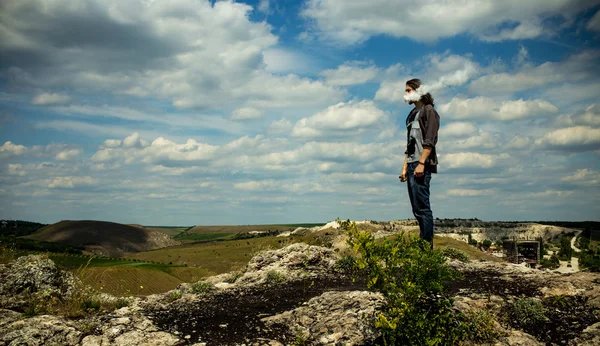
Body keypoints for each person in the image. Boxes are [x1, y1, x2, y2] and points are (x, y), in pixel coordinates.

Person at [399, 79, 440, 249]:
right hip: (411, 164)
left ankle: (427, 248)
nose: (406, 93)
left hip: (421, 164)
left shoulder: (428, 111)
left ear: (418, 91)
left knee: (423, 208)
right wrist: (404, 166)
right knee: (416, 209)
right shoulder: (411, 114)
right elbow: (409, 143)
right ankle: (422, 246)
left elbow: (430, 139)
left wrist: (421, 163)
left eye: (409, 90)